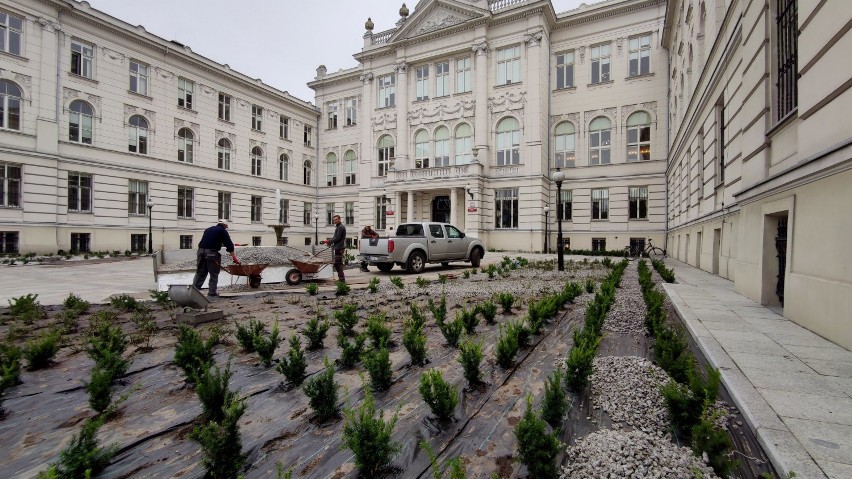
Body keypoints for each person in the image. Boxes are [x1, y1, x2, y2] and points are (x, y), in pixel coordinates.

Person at [193, 219, 239, 297]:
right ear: (225, 225)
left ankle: (193, 292)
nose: (226, 228)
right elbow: (229, 245)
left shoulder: (208, 229)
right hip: (211, 254)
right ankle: (212, 293)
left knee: (200, 272)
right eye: (226, 227)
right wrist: (234, 257)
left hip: (200, 252)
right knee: (213, 274)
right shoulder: (222, 231)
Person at [323, 214, 347, 282]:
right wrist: (329, 242)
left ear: (339, 219)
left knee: (338, 263)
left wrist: (328, 241)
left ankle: (342, 279)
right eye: (334, 220)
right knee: (336, 263)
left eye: (336, 219)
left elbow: (337, 238)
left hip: (339, 247)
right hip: (337, 247)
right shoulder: (338, 227)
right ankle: (341, 278)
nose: (335, 221)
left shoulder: (341, 227)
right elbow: (334, 238)